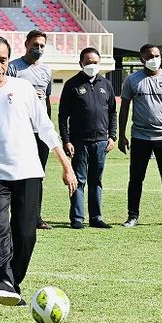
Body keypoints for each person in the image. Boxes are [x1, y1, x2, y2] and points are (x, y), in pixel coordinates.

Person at [0, 35, 77, 307]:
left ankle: (12, 284)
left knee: (25, 234)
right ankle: (3, 280)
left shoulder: (23, 89)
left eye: (3, 60)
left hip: (28, 172)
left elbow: (45, 128)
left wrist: (65, 165)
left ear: (8, 61)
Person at [118, 43, 162, 227]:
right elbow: (124, 108)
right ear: (142, 59)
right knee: (136, 178)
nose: (154, 59)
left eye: (156, 56)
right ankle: (132, 216)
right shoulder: (132, 80)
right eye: (149, 57)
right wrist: (122, 135)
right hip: (140, 136)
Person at [58, 47, 117, 229]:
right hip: (79, 142)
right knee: (79, 180)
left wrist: (112, 136)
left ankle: (96, 218)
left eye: (95, 62)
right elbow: (62, 116)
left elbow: (113, 112)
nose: (92, 65)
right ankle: (77, 218)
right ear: (81, 64)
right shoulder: (72, 85)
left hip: (101, 142)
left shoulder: (105, 85)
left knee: (96, 180)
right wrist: (66, 140)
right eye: (88, 62)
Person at [7, 29, 54, 229]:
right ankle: (16, 217)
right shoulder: (13, 68)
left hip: (39, 131)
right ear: (26, 44)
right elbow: (4, 96)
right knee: (17, 175)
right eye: (35, 44)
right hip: (19, 130)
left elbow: (48, 101)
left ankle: (36, 217)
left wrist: (48, 126)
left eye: (42, 45)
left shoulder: (46, 71)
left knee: (38, 175)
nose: (38, 48)